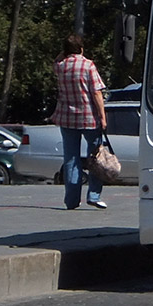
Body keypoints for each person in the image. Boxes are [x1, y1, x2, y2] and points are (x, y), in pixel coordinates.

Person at [52, 34, 107, 210]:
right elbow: (97, 93)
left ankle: (72, 200)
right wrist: (103, 116)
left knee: (71, 158)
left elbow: (57, 59)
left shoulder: (60, 67)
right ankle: (94, 195)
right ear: (82, 49)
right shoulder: (88, 65)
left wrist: (65, 52)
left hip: (66, 117)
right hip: (89, 117)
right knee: (96, 157)